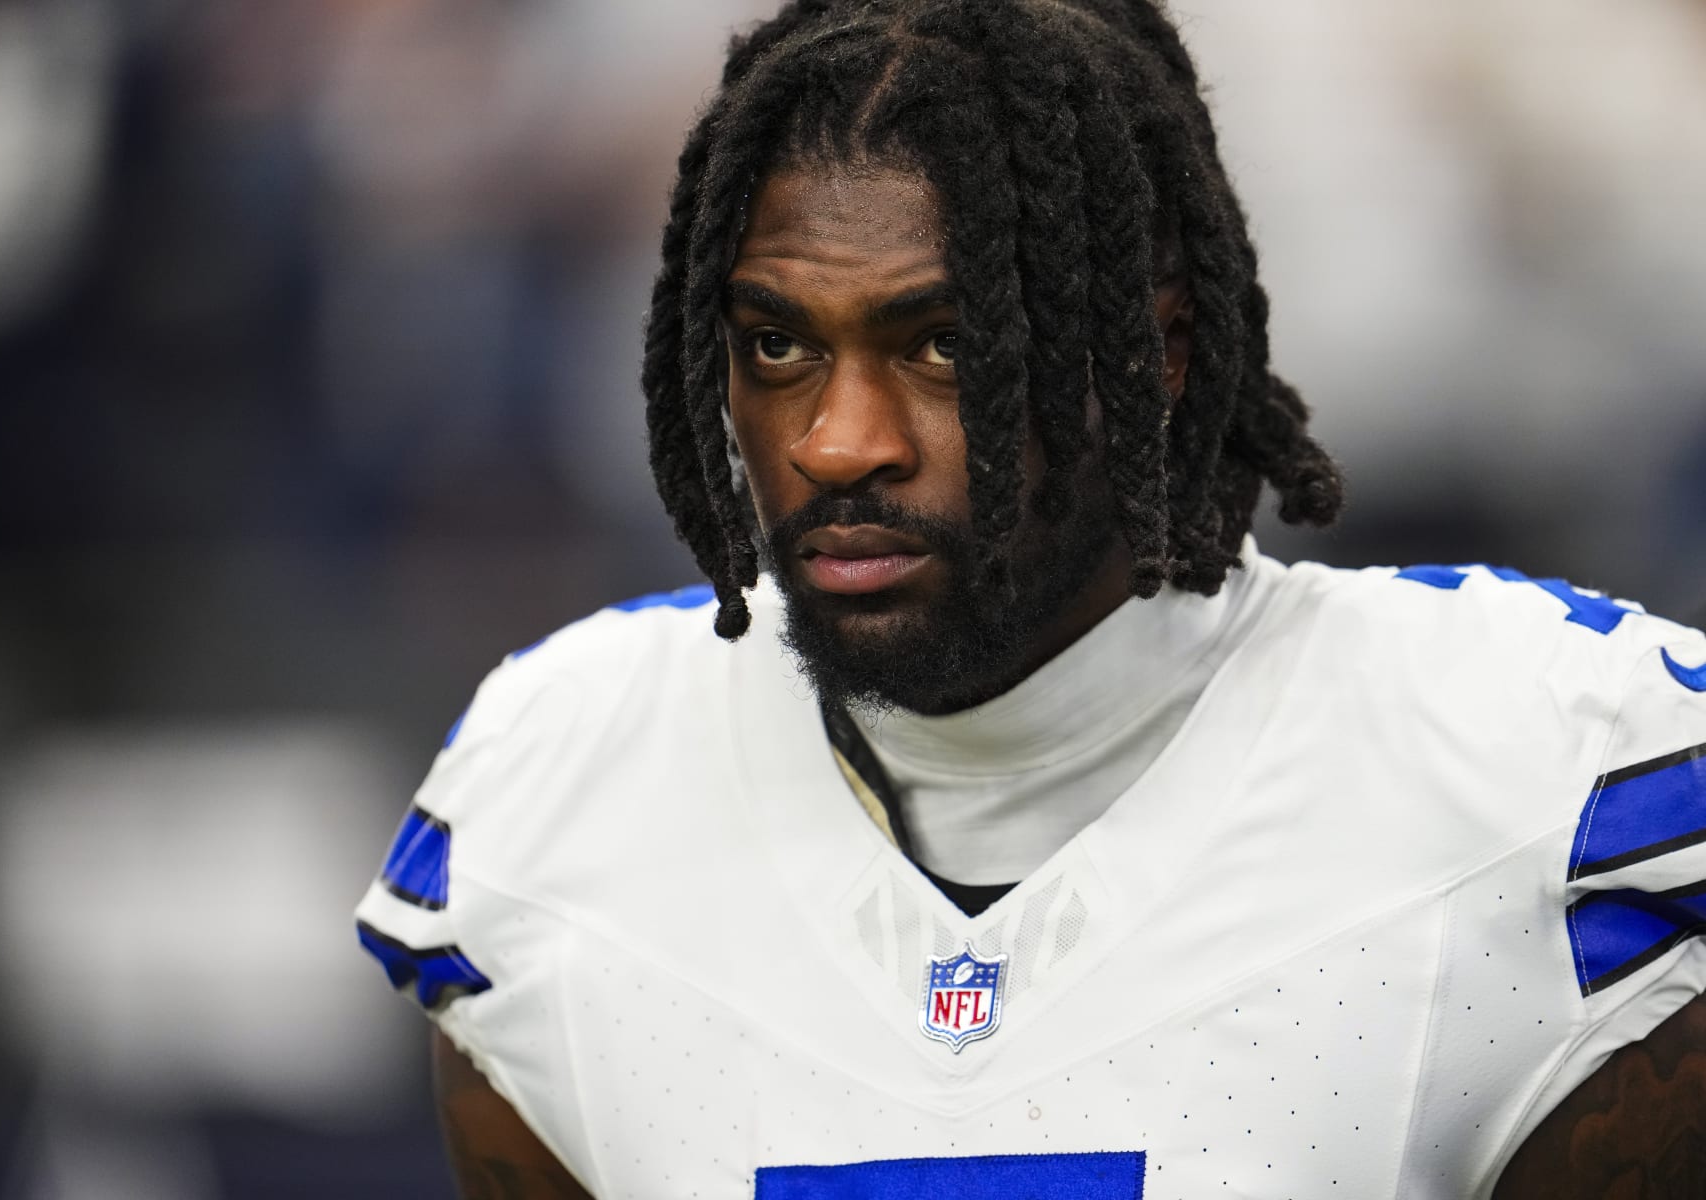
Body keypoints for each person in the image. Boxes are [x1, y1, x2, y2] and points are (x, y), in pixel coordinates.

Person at [355, 1, 1706, 1195]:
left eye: (945, 345)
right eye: (778, 344)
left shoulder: (1543, 775)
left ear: (1156, 356)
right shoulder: (560, 789)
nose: (839, 440)